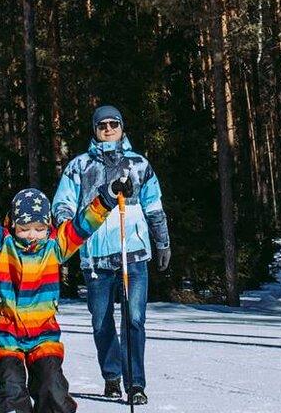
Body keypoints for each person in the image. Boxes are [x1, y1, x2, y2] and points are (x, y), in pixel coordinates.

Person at [0, 148, 121, 413]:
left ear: (48, 226)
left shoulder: (55, 246)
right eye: (24, 228)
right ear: (13, 225)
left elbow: (82, 225)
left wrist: (107, 198)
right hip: (6, 336)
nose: (32, 235)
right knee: (12, 388)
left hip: (43, 336)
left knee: (53, 388)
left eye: (39, 228)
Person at [51, 105, 170, 405]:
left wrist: (162, 242)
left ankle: (136, 385)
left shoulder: (139, 164)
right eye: (102, 124)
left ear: (121, 126)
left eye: (113, 123)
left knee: (135, 318)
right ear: (94, 128)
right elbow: (62, 205)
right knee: (101, 321)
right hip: (96, 256)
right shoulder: (78, 166)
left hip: (134, 253)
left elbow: (154, 206)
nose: (108, 128)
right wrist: (68, 230)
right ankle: (111, 375)